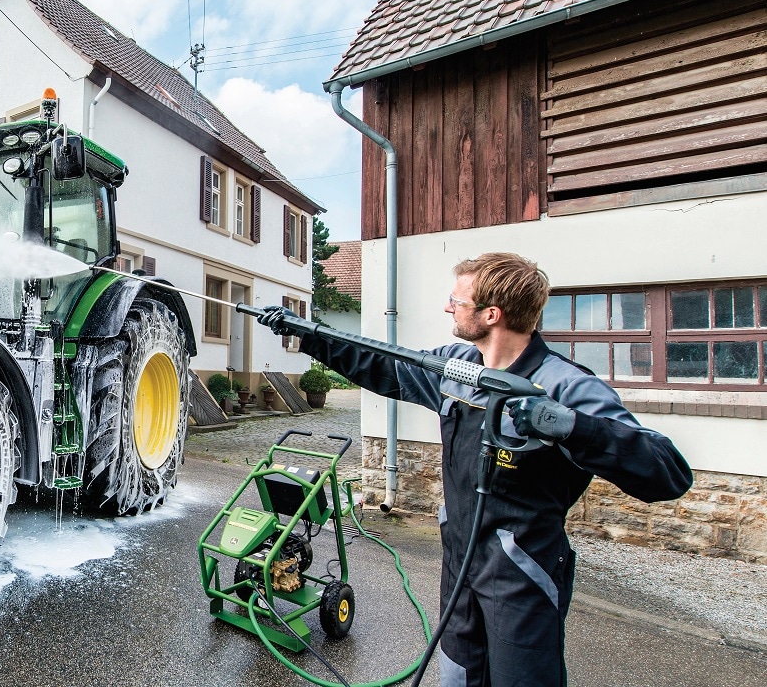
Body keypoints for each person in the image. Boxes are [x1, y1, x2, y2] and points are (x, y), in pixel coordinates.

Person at [258, 252, 692, 687]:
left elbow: (668, 473)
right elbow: (384, 364)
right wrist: (309, 336)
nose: (449, 307)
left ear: (491, 314)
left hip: (523, 572)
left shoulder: (564, 385)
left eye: (456, 300)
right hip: (460, 562)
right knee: (458, 674)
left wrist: (572, 426)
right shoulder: (458, 368)